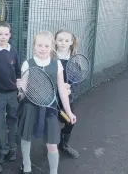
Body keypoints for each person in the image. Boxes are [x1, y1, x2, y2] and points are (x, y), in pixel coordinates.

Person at [17, 31, 77, 174]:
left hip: (50, 108)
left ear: (52, 47)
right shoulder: (27, 64)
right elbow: (23, 91)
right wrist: (20, 89)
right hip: (30, 107)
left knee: (52, 142)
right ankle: (27, 166)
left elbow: (61, 89)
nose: (42, 48)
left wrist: (68, 111)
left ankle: (53, 171)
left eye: (46, 46)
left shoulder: (57, 65)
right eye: (39, 45)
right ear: (34, 46)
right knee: (26, 138)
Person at [0, 21, 21, 170]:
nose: (3, 37)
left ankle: (12, 148)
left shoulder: (13, 51)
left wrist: (19, 88)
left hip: (13, 93)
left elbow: (18, 72)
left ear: (10, 35)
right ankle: (2, 150)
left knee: (13, 121)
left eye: (6, 34)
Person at [54, 29, 80, 158]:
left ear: (71, 42)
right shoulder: (51, 56)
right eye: (60, 40)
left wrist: (70, 88)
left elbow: (77, 78)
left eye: (66, 40)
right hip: (52, 97)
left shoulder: (75, 59)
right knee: (51, 122)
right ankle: (51, 146)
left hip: (66, 98)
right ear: (55, 41)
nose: (63, 43)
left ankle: (63, 145)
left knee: (70, 121)